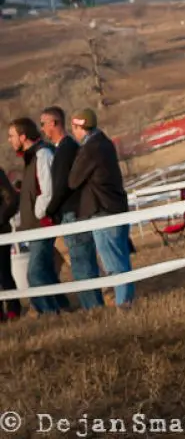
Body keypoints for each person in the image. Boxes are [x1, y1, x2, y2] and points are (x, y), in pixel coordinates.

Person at [68, 109, 134, 309]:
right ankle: (128, 302)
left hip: (102, 210)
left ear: (80, 127)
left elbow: (73, 180)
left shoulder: (90, 149)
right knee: (121, 259)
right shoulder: (105, 142)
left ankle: (124, 305)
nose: (73, 132)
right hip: (116, 206)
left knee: (114, 265)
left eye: (75, 127)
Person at [41, 106, 104, 311]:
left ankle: (93, 309)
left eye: (43, 124)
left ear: (54, 123)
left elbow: (62, 186)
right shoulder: (65, 148)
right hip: (73, 212)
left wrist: (49, 211)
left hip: (73, 213)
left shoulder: (66, 149)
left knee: (81, 263)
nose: (42, 129)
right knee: (82, 262)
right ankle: (94, 306)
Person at [7, 118, 70, 316]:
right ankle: (63, 307)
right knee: (46, 273)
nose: (9, 140)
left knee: (34, 274)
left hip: (42, 225)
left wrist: (39, 213)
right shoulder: (30, 158)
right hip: (34, 227)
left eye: (12, 136)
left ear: (23, 137)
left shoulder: (42, 154)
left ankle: (50, 314)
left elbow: (48, 189)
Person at [0, 168, 22, 321]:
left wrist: (0, 219)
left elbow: (12, 199)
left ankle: (13, 310)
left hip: (0, 231)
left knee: (3, 273)